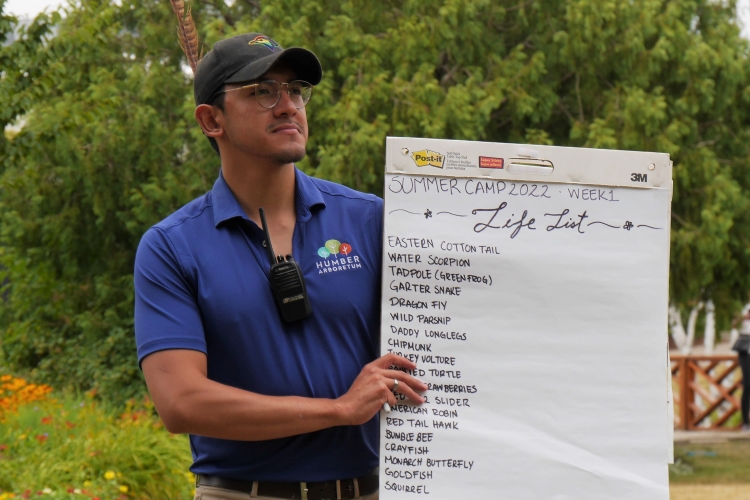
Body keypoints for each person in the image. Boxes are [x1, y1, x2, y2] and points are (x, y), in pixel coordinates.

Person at [134, 33, 427, 500]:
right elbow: (181, 402)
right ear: (212, 120)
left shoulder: (372, 218)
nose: (288, 105)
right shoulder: (171, 247)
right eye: (263, 92)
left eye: (295, 90)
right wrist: (337, 409)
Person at [732, 304, 750, 432]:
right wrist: (743, 317)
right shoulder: (744, 307)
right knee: (748, 385)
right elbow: (733, 324)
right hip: (745, 348)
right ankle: (745, 422)